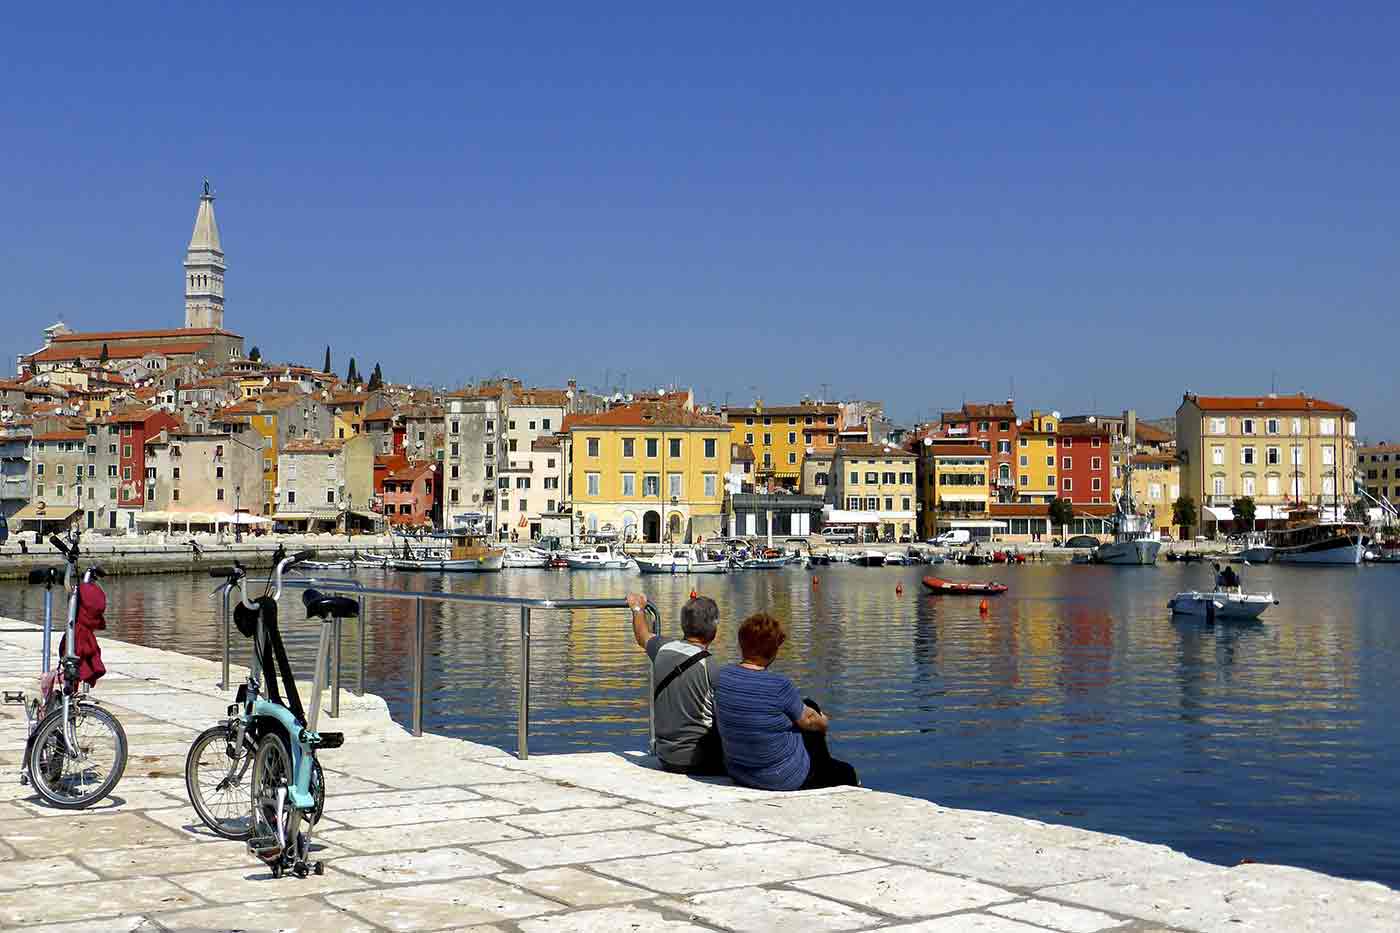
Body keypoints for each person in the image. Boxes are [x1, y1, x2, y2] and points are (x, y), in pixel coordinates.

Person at [714, 611, 858, 791]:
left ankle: (824, 765)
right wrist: (824, 721)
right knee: (847, 772)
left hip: (739, 772)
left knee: (802, 707)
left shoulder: (722, 676)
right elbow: (811, 721)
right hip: (780, 777)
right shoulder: (779, 685)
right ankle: (825, 767)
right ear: (773, 650)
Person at [628, 592, 725, 776]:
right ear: (713, 630)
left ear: (684, 625)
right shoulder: (711, 667)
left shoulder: (663, 648)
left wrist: (637, 608)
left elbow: (642, 635)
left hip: (666, 758)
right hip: (701, 761)